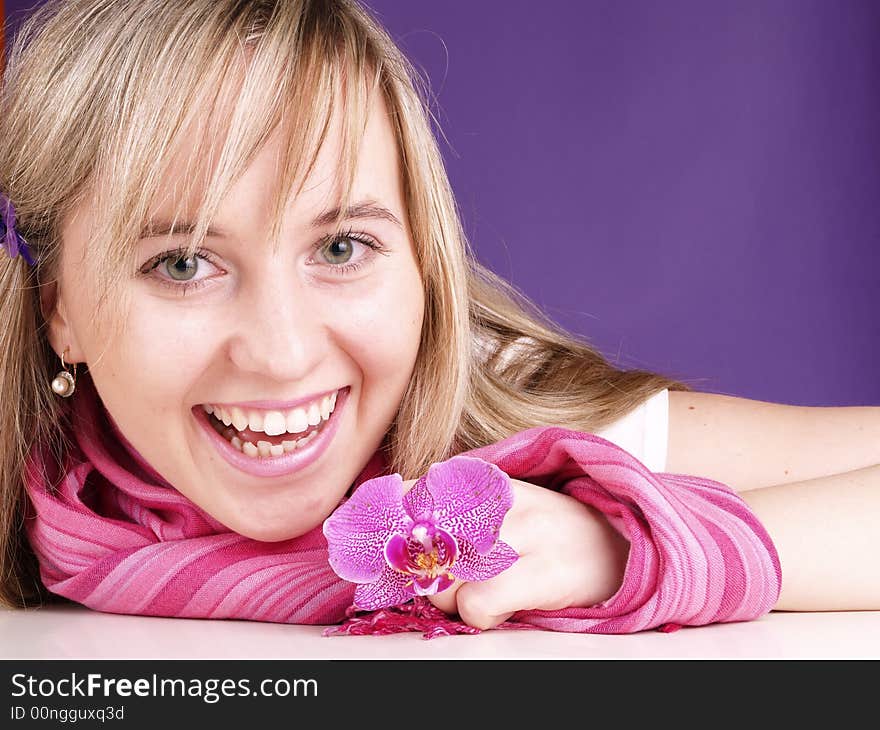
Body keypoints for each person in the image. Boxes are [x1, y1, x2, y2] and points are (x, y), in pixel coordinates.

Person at [0, 0, 875, 635]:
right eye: (183, 263)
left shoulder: (501, 413)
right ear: (60, 310)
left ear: (423, 262)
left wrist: (627, 545)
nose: (282, 352)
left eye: (340, 248)